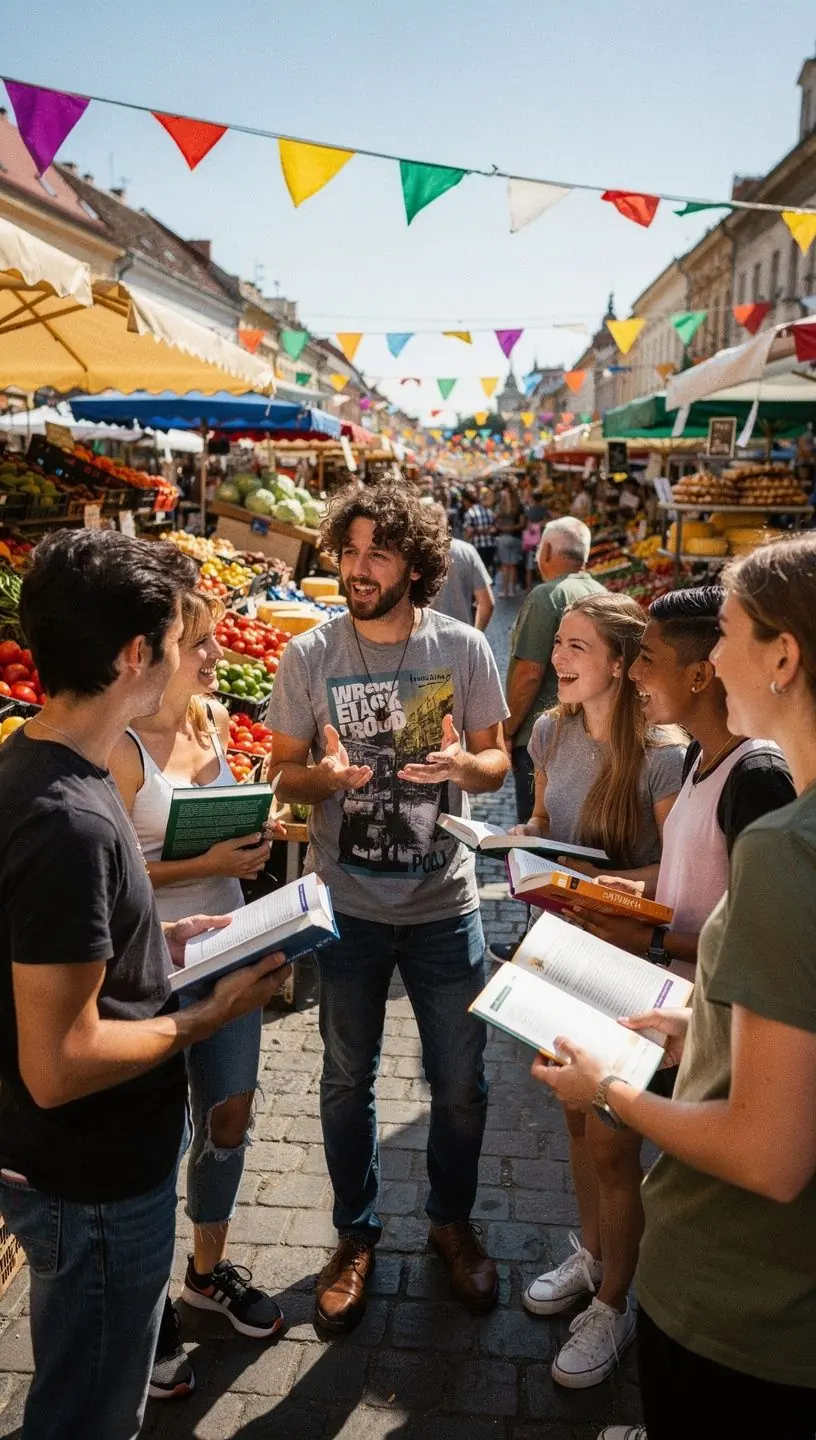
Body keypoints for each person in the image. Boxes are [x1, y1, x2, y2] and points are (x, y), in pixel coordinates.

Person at [0, 530, 290, 1440]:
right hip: (92, 1180)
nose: (195, 654)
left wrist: (155, 940)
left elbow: (47, 949)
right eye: (178, 637)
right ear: (136, 655)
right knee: (90, 1415)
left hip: (85, 1170)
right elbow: (61, 1062)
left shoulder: (46, 769)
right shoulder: (71, 820)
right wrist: (211, 1014)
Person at [533, 535, 816, 1440]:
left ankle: (611, 1301)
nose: (714, 660)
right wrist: (696, 1021)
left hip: (738, 1309)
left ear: (782, 657)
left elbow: (769, 1152)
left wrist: (609, 1085)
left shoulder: (776, 821)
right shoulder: (728, 777)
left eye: (726, 635)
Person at [265, 482, 509, 1332]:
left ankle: (452, 1223)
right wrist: (322, 781)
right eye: (350, 551)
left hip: (446, 904)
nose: (358, 569)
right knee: (345, 1080)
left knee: (463, 1084)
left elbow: (496, 760)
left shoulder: (463, 647)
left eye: (379, 553)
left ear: (416, 564)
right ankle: (354, 1235)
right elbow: (283, 772)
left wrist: (464, 768)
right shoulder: (309, 654)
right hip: (349, 908)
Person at [109, 588, 287, 1400]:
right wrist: (211, 860)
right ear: (155, 650)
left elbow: (226, 823)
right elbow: (113, 874)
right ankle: (145, 1309)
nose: (218, 655)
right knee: (159, 1135)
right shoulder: (119, 747)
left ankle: (206, 1275)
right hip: (150, 962)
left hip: (229, 944)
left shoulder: (211, 720)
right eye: (201, 641)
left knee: (230, 1114)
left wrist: (255, 836)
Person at [513, 594, 685, 1388]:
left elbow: (675, 872)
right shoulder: (549, 732)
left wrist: (609, 885)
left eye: (577, 646)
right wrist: (522, 842)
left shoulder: (661, 755)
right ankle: (592, 1256)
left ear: (620, 662)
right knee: (577, 1119)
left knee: (616, 1146)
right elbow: (544, 821)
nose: (559, 657)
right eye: (559, 643)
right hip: (560, 953)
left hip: (623, 965)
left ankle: (616, 1304)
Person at [566, 585, 794, 976]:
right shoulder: (698, 753)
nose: (634, 672)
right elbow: (700, 883)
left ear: (699, 675)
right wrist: (637, 893)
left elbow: (767, 942)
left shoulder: (759, 778)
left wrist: (648, 940)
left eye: (647, 658)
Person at [490, 519, 605, 965]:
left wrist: (505, 732)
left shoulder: (546, 596)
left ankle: (536, 945)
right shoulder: (601, 593)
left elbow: (528, 672)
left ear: (549, 552)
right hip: (591, 738)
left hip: (542, 737)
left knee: (538, 844)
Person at [429, 503, 494, 631]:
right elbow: (487, 603)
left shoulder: (411, 555)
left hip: (424, 637)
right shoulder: (467, 551)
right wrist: (477, 634)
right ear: (447, 523)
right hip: (462, 635)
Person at [495, 483, 525, 598]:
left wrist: (505, 528)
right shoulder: (520, 506)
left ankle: (505, 591)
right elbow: (522, 524)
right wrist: (512, 528)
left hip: (504, 537)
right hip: (516, 537)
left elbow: (496, 522)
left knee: (505, 565)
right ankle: (512, 590)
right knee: (512, 566)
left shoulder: (501, 506)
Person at [463, 485, 498, 577]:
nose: (492, 500)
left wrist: (478, 530)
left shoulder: (474, 511)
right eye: (491, 498)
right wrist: (486, 530)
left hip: (481, 547)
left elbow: (469, 533)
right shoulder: (477, 511)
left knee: (479, 573)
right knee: (485, 572)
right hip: (483, 547)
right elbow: (493, 529)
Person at [521, 488, 549, 592]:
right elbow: (547, 522)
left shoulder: (529, 510)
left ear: (533, 499)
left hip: (530, 541)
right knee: (540, 564)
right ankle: (544, 587)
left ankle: (528, 587)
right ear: (542, 499)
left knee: (529, 566)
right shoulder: (544, 510)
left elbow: (527, 525)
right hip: (541, 540)